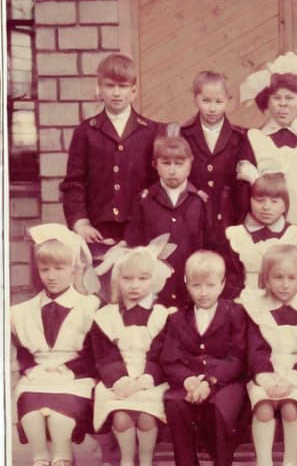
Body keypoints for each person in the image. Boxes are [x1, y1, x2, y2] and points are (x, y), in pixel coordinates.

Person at [11, 225, 100, 466]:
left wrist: (73, 370)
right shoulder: (23, 311)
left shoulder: (90, 306)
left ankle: (62, 457)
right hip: (39, 374)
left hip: (75, 376)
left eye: (59, 269)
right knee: (31, 412)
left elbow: (96, 352)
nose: (51, 276)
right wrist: (31, 369)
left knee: (60, 416)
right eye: (45, 269)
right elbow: (25, 354)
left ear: (74, 269)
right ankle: (40, 458)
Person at [159, 250, 247, 466]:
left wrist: (211, 380)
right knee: (175, 403)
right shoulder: (177, 318)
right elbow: (169, 359)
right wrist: (187, 380)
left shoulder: (234, 313)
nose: (204, 292)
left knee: (221, 406)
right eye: (197, 285)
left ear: (222, 284)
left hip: (225, 381)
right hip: (188, 381)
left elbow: (238, 358)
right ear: (187, 284)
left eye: (210, 285)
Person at [90, 244, 175, 466]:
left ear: (154, 280)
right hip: (118, 379)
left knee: (147, 416)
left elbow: (163, 354)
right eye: (127, 279)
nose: (134, 285)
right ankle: (127, 462)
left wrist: (146, 379)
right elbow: (105, 356)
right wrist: (121, 380)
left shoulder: (163, 315)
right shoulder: (106, 317)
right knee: (121, 416)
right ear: (118, 281)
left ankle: (147, 462)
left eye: (142, 278)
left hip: (152, 378)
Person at [242, 244, 297, 466]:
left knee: (290, 407)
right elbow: (255, 350)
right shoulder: (257, 310)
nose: (285, 285)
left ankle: (292, 463)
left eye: (291, 278)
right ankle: (263, 465)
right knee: (264, 408)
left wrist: (292, 380)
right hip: (266, 373)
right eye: (278, 277)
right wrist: (266, 379)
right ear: (266, 278)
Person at [60, 53, 160, 248]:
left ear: (133, 91)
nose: (116, 93)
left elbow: (158, 183)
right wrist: (81, 222)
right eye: (110, 85)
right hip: (97, 231)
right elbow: (74, 183)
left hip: (140, 230)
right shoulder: (86, 131)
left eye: (123, 87)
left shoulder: (151, 131)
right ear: (99, 89)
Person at [126, 135, 214, 307]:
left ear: (189, 165)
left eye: (179, 164)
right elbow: (134, 245)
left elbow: (210, 246)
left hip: (192, 290)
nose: (172, 170)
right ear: (155, 165)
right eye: (166, 163)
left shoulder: (200, 202)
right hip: (155, 291)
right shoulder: (144, 201)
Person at [238, 71, 297, 229]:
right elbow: (245, 189)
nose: (283, 104)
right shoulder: (253, 137)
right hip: (264, 221)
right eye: (277, 98)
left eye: (290, 98)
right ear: (267, 102)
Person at [177, 70, 253, 230]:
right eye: (206, 101)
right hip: (193, 213)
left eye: (219, 102)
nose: (212, 108)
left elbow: (244, 183)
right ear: (195, 99)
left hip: (228, 216)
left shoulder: (239, 137)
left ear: (227, 101)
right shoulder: (184, 134)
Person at [221, 172, 297, 300]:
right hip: (244, 301)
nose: (266, 207)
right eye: (260, 201)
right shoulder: (235, 235)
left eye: (274, 201)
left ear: (285, 206)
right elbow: (226, 279)